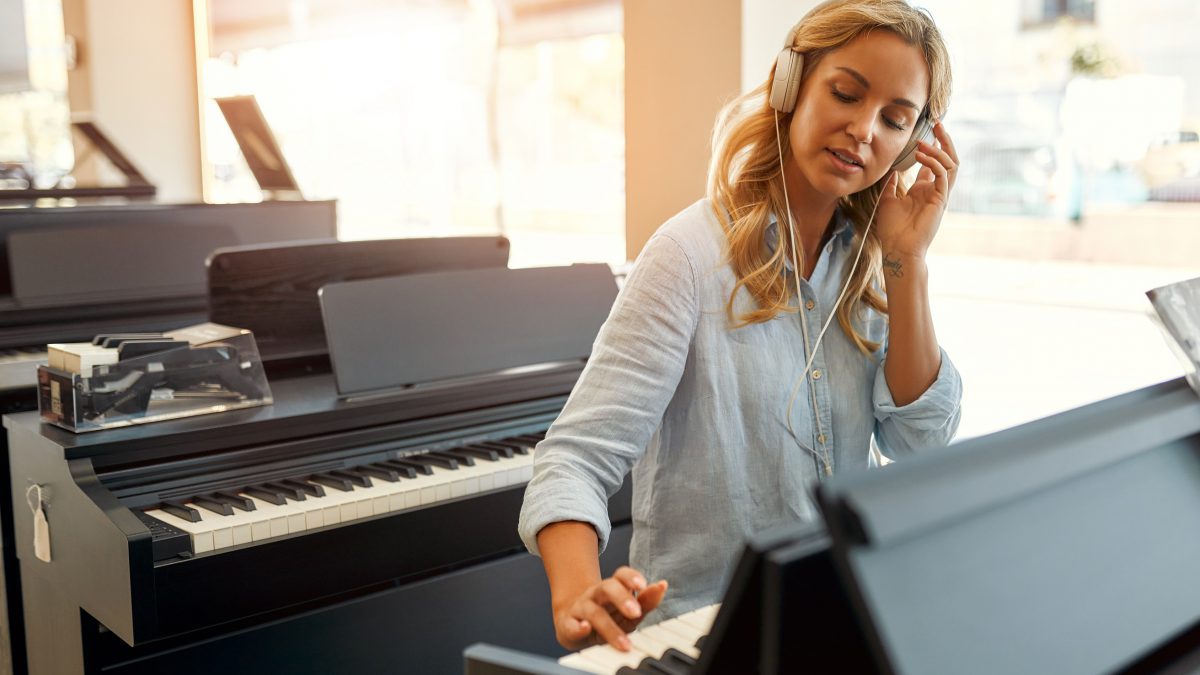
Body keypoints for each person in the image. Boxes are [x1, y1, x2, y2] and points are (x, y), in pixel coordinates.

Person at [518, 0, 963, 653]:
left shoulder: (870, 268)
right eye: (845, 93)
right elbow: (573, 459)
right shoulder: (688, 258)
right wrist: (576, 590)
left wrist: (909, 263)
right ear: (791, 84)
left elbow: (920, 443)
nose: (865, 130)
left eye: (895, 119)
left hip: (841, 617)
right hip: (708, 635)